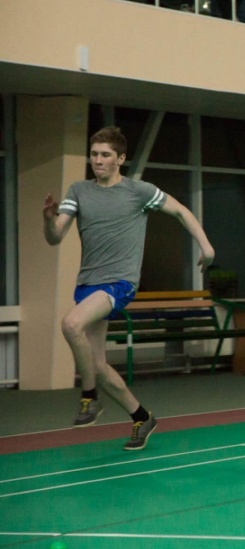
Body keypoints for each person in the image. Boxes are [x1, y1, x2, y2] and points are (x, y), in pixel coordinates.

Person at [42, 127, 215, 451]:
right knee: (98, 366)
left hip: (119, 282)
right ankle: (141, 417)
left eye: (105, 155)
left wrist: (206, 247)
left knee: (71, 324)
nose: (98, 160)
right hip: (88, 285)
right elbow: (55, 237)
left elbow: (181, 210)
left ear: (120, 159)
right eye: (94, 154)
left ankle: (89, 397)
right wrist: (49, 220)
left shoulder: (138, 191)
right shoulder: (79, 191)